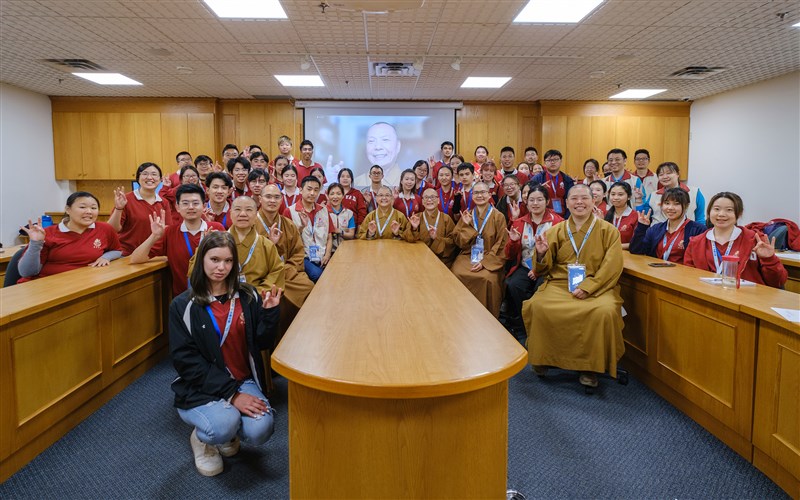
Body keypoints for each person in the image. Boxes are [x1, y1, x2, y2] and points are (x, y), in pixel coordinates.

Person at [168, 231, 281, 477]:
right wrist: (232, 395)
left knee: (261, 429)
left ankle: (227, 429)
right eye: (215, 259)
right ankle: (204, 439)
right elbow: (186, 362)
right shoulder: (182, 305)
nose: (221, 267)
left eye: (228, 261)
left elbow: (261, 342)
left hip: (241, 379)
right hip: (201, 385)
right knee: (222, 425)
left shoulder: (248, 295)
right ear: (202, 260)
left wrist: (271, 314)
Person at [522, 183, 625, 389]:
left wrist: (589, 287)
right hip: (560, 283)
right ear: (566, 203)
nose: (579, 202)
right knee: (537, 305)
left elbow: (612, 266)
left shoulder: (609, 231)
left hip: (597, 286)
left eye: (584, 198)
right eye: (574, 199)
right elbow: (543, 267)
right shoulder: (556, 230)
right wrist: (540, 254)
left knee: (604, 311)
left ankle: (590, 367)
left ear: (594, 201)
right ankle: (544, 358)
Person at [129, 184, 225, 297]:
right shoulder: (170, 232)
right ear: (177, 207)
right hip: (184, 298)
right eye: (185, 203)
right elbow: (136, 259)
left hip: (215, 295)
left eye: (195, 203)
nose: (191, 207)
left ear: (203, 206)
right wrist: (154, 236)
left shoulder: (216, 228)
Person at [684, 192, 787, 288]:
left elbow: (778, 282)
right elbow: (689, 277)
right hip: (708, 296)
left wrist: (769, 260)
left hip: (748, 297)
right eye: (716, 209)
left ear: (739, 214)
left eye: (729, 210)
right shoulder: (696, 243)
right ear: (709, 212)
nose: (721, 214)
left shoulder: (755, 240)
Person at [18, 191, 122, 281]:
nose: (89, 211)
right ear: (68, 209)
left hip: (83, 281)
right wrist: (35, 243)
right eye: (82, 207)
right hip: (47, 284)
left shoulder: (105, 229)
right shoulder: (47, 234)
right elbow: (27, 272)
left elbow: (117, 250)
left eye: (93, 208)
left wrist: (106, 257)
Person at [192, 196, 285, 295]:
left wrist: (256, 295)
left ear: (256, 215)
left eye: (248, 210)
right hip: (219, 294)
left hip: (255, 297)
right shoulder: (217, 242)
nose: (243, 214)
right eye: (237, 209)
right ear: (231, 214)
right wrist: (205, 245)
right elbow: (195, 269)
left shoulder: (266, 245)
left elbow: (277, 272)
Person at [503, 185, 563, 338]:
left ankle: (539, 327)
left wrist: (538, 270)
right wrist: (513, 241)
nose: (535, 203)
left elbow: (561, 253)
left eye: (539, 200)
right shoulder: (519, 222)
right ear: (526, 202)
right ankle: (522, 325)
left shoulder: (558, 223)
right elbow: (509, 255)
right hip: (525, 266)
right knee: (514, 285)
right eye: (532, 200)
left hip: (548, 267)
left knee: (540, 289)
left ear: (547, 201)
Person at [450, 182, 508, 317]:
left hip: (490, 258)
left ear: (489, 195)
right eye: (476, 193)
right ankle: (458, 313)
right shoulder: (468, 214)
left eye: (483, 192)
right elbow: (459, 242)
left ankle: (486, 317)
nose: (479, 195)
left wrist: (485, 262)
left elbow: (501, 244)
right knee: (456, 272)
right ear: (472, 195)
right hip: (468, 255)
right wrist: (465, 225)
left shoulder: (498, 216)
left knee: (487, 278)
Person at [256, 184, 314, 309]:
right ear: (260, 199)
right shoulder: (251, 225)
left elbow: (298, 253)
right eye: (268, 197)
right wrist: (269, 243)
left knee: (308, 287)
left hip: (287, 272)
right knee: (265, 292)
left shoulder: (289, 224)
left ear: (281, 200)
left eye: (277, 197)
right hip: (263, 275)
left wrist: (285, 270)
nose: (272, 200)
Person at [109, 162, 174, 255]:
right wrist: (118, 208)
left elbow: (168, 229)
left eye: (154, 174)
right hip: (128, 254)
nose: (150, 177)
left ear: (160, 180)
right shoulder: (125, 200)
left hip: (154, 255)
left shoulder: (164, 202)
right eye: (145, 174)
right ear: (138, 178)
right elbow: (112, 229)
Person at [629, 187, 706, 263]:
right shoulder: (656, 229)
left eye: (676, 204)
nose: (670, 208)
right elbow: (636, 250)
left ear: (686, 206)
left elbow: (699, 261)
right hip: (656, 270)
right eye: (667, 203)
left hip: (683, 271)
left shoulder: (698, 230)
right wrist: (642, 227)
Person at [287, 176, 333, 282]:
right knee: (318, 275)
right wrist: (302, 227)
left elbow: (329, 236)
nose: (312, 193)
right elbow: (288, 240)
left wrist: (327, 254)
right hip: (304, 257)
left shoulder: (323, 210)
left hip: (323, 255)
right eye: (309, 189)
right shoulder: (290, 211)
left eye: (316, 190)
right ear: (300, 190)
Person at [409, 187, 456, 265]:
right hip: (418, 257)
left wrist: (436, 238)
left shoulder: (446, 218)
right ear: (422, 202)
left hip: (440, 260)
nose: (429, 200)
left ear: (438, 200)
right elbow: (408, 240)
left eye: (432, 197)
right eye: (426, 197)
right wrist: (414, 228)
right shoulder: (416, 218)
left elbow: (452, 242)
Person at [529, 149, 575, 219]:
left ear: (561, 161)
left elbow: (571, 200)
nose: (553, 162)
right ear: (545, 163)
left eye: (556, 159)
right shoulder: (536, 179)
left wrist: (566, 219)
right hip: (542, 218)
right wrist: (539, 189)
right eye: (549, 160)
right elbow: (529, 197)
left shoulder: (567, 180)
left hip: (563, 217)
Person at [364, 122, 402, 187]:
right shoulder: (357, 182)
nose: (378, 147)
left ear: (398, 146)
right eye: (371, 141)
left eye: (385, 140)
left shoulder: (407, 181)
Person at [604, 181, 639, 249]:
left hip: (627, 254)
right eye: (613, 194)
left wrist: (614, 247)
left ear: (629, 197)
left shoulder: (636, 216)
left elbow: (636, 243)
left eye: (620, 194)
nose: (615, 197)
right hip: (607, 253)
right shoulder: (605, 214)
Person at [326, 182, 356, 253]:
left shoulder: (349, 213)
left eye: (338, 194)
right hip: (328, 251)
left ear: (343, 196)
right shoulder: (323, 212)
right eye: (332, 194)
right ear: (328, 196)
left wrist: (340, 231)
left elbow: (351, 234)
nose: (335, 197)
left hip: (346, 251)